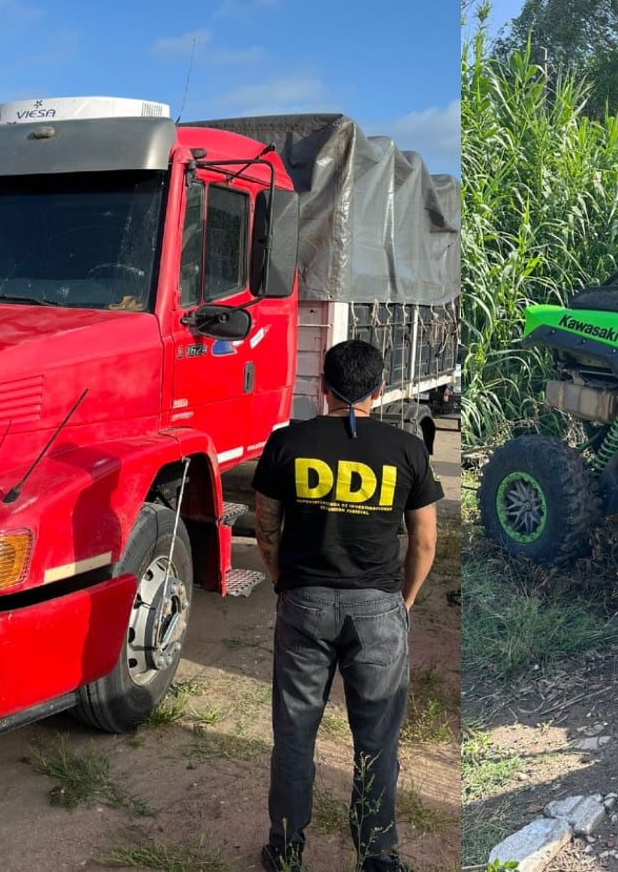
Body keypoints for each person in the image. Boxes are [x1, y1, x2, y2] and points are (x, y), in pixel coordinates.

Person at [251, 338, 443, 872]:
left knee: (294, 734)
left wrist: (282, 582)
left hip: (304, 602)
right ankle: (378, 856)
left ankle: (286, 851)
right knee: (378, 739)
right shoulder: (407, 449)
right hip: (378, 609)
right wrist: (402, 602)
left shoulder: (287, 443)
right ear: (379, 391)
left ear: (321, 388)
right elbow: (425, 541)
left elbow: (266, 529)